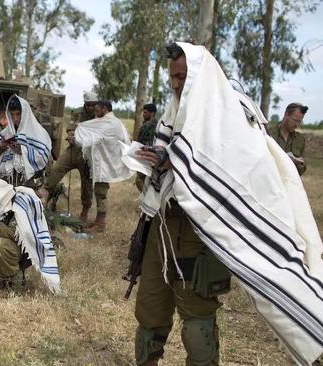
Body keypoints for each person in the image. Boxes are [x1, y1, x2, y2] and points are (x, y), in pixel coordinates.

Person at [132, 42, 323, 365]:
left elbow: (238, 167)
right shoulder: (172, 112)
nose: (176, 84)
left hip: (203, 232)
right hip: (163, 226)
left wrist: (178, 162)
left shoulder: (232, 113)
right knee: (149, 312)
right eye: (173, 78)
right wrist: (155, 162)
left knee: (197, 322)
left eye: (183, 77)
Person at [0, 176, 61, 293]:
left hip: (23, 251)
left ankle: (13, 284)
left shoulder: (18, 202)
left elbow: (15, 232)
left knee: (2, 244)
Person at [73, 100, 133, 233]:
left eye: (97, 110)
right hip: (103, 162)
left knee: (101, 193)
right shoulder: (111, 121)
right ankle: (98, 221)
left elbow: (91, 132)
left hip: (106, 163)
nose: (95, 112)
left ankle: (101, 224)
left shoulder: (109, 122)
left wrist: (80, 128)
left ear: (104, 109)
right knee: (99, 191)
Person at [0, 95, 52, 188]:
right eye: (12, 114)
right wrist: (0, 149)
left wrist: (23, 151)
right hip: (5, 183)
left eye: (18, 114)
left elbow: (43, 156)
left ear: (25, 113)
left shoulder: (38, 133)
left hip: (29, 183)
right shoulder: (6, 133)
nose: (15, 118)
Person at [268, 103, 308, 175]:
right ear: (286, 114)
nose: (297, 125)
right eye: (294, 120)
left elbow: (302, 169)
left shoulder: (300, 139)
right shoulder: (268, 134)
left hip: (290, 183)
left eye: (299, 121)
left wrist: (301, 166)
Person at [134, 103, 158, 191]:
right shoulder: (158, 124)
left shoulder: (148, 125)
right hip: (152, 158)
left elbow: (141, 142)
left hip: (145, 157)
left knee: (141, 181)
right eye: (143, 112)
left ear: (152, 113)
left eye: (145, 112)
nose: (143, 114)